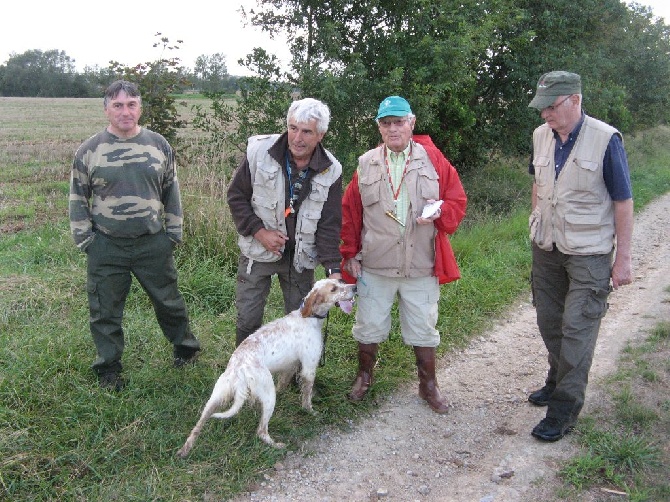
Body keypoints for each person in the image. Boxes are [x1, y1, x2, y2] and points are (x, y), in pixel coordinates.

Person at [69, 80, 201, 391]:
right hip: (106, 244)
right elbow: (77, 198)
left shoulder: (158, 145)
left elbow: (171, 190)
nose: (125, 111)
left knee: (169, 302)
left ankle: (186, 350)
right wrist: (86, 240)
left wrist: (173, 233)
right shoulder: (89, 150)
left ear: (139, 108)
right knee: (105, 310)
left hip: (153, 242)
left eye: (131, 104)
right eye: (118, 105)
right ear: (106, 110)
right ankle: (108, 368)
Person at [340, 96, 467, 414]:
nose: (393, 128)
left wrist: (440, 213)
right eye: (386, 123)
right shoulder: (366, 162)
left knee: (424, 326)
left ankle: (428, 385)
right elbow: (351, 213)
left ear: (411, 123)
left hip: (420, 263)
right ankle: (364, 376)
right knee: (368, 325)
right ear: (379, 128)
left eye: (399, 122)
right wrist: (349, 254)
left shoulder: (433, 160)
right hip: (376, 264)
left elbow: (457, 200)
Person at [527, 71, 634, 441]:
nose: (545, 115)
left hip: (589, 253)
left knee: (577, 329)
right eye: (541, 108)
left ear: (575, 99)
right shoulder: (541, 136)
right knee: (549, 321)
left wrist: (623, 259)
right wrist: (536, 221)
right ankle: (556, 380)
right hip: (546, 249)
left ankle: (564, 409)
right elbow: (538, 185)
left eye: (551, 107)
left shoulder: (606, 140)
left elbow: (623, 201)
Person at [227, 98, 343, 346]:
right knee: (248, 319)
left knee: (304, 319)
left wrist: (333, 269)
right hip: (258, 251)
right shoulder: (259, 152)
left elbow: (329, 224)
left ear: (320, 135)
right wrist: (260, 232)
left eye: (306, 132)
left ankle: (295, 378)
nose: (297, 138)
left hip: (300, 258)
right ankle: (245, 375)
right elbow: (236, 197)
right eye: (293, 128)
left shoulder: (331, 169)